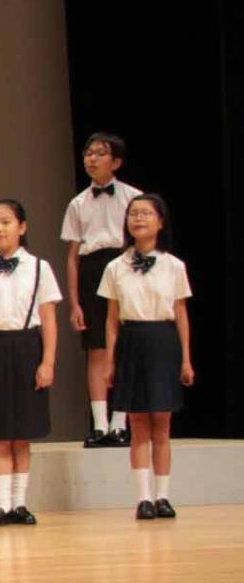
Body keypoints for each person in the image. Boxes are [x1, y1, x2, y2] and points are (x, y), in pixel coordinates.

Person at [0, 200, 61, 526]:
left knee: (22, 433)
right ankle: (1, 505)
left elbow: (48, 320)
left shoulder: (39, 268)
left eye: (6, 222)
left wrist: (47, 362)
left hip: (26, 347)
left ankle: (20, 503)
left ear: (22, 226)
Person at [99, 194, 193, 519]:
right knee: (137, 421)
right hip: (132, 340)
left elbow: (181, 314)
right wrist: (110, 362)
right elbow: (111, 320)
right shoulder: (115, 266)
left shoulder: (174, 265)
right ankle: (143, 497)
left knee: (162, 422)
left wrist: (186, 359)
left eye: (146, 213)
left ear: (160, 221)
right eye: (133, 214)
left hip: (163, 341)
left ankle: (164, 496)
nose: (138, 219)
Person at [60, 133, 141, 447]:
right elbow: (72, 257)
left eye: (100, 153)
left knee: (122, 347)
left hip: (124, 265)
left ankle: (121, 422)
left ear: (116, 161)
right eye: (88, 153)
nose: (91, 159)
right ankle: (100, 424)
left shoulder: (134, 198)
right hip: (91, 269)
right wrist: (75, 302)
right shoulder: (77, 203)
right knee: (96, 349)